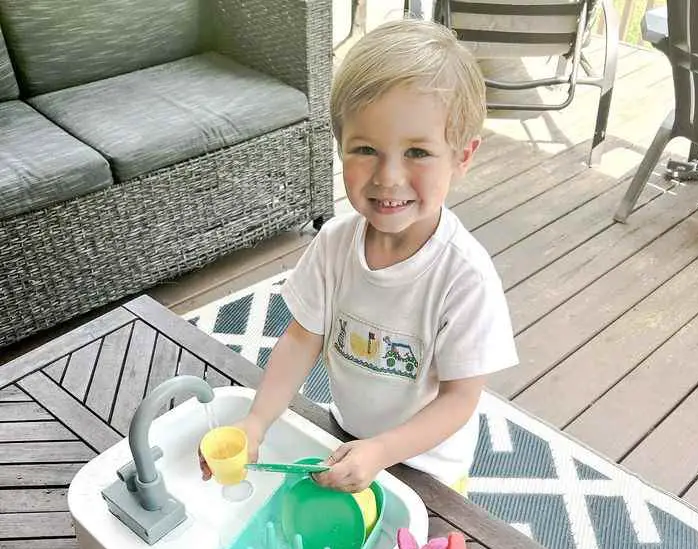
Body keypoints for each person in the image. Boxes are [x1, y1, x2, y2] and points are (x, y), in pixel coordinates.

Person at [203, 18, 518, 495]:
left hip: (426, 464)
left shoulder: (464, 276)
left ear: (462, 156)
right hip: (345, 432)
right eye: (366, 149)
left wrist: (384, 450)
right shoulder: (334, 243)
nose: (389, 177)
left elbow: (460, 399)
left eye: (417, 152)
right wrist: (256, 422)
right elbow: (301, 339)